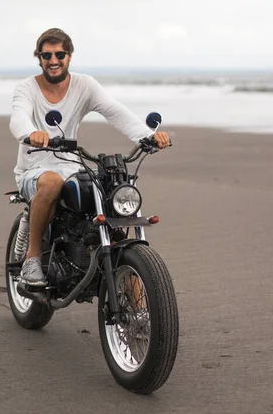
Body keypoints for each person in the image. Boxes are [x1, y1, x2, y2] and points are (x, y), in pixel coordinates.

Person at [9, 28, 170, 286]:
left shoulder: (84, 85)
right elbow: (19, 117)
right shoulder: (26, 88)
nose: (53, 60)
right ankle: (32, 258)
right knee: (51, 183)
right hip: (34, 167)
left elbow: (114, 110)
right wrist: (30, 133)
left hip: (70, 164)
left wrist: (146, 135)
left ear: (69, 56)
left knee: (108, 187)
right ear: (38, 57)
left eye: (60, 54)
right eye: (46, 55)